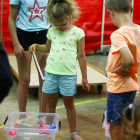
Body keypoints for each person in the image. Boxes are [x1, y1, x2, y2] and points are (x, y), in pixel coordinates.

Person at [29, 0, 90, 139]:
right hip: (51, 74)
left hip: (68, 75)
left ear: (71, 16)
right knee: (51, 102)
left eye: (63, 24)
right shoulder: (51, 31)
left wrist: (84, 77)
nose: (60, 27)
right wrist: (36, 46)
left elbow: (81, 56)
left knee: (69, 104)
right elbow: (47, 48)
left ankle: (73, 132)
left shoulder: (78, 33)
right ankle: (49, 129)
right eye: (56, 24)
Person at [8, 0, 50, 120]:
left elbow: (53, 14)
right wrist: (16, 43)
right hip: (24, 36)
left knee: (44, 78)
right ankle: (22, 117)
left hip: (43, 36)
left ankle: (42, 115)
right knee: (24, 79)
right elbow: (11, 19)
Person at [105, 0, 140, 140]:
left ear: (111, 12)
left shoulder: (118, 34)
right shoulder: (137, 29)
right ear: (131, 10)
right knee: (127, 123)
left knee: (115, 127)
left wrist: (119, 69)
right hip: (131, 85)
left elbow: (129, 59)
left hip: (118, 87)